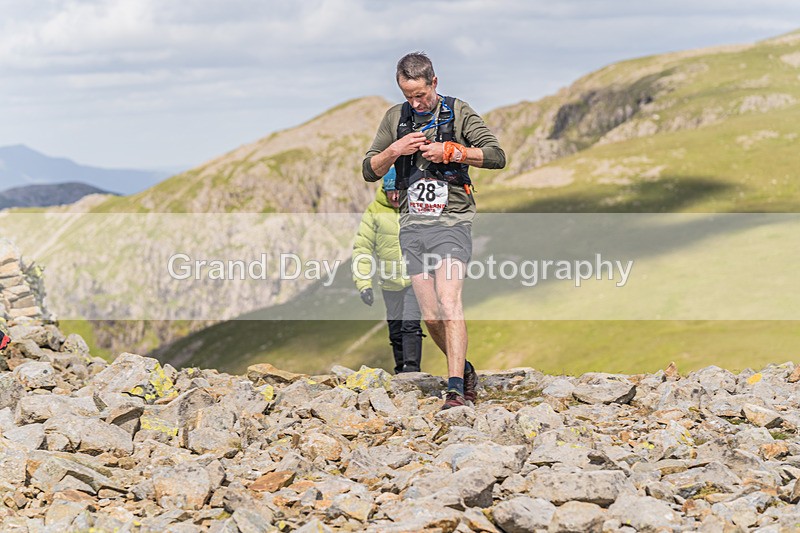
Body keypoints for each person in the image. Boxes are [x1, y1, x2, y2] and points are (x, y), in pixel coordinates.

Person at [362, 52, 506, 409]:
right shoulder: (395, 117)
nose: (415, 102)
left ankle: (456, 389)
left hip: (452, 220)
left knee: (449, 301)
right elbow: (369, 169)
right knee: (430, 315)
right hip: (412, 223)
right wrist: (394, 150)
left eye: (421, 95)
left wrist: (452, 151)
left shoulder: (459, 112)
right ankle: (466, 369)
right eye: (408, 95)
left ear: (434, 82)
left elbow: (496, 155)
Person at [352, 168, 424, 374]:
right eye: (390, 191)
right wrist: (364, 284)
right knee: (395, 330)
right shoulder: (374, 211)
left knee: (410, 325)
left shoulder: (417, 208)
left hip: (415, 278)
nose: (394, 196)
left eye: (399, 191)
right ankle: (400, 370)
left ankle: (412, 370)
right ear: (384, 190)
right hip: (389, 282)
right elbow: (362, 249)